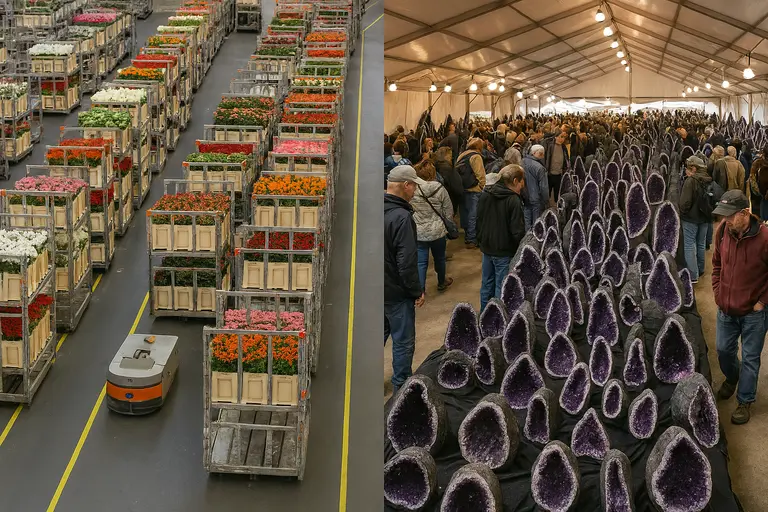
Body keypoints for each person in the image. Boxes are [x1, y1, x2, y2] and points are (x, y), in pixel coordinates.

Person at [712, 190, 768, 425]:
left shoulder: (765, 238)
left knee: (750, 358)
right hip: (726, 309)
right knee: (723, 350)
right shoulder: (722, 232)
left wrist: (762, 302)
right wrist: (718, 292)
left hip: (753, 313)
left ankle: (745, 400)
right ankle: (732, 377)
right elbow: (716, 264)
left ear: (745, 213)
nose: (725, 220)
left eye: (730, 215)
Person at [384, 166, 426, 394]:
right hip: (397, 293)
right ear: (406, 185)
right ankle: (401, 389)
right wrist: (415, 290)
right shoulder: (402, 217)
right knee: (402, 342)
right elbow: (406, 262)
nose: (415, 191)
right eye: (414, 186)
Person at [476, 165, 526, 312]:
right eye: (522, 182)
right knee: (501, 286)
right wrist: (519, 250)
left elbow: (478, 220)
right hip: (504, 251)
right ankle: (498, 318)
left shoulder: (486, 194)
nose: (522, 187)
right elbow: (517, 231)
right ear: (515, 181)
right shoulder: (513, 200)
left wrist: (481, 240)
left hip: (487, 248)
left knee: (486, 284)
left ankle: (484, 315)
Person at [411, 160, 454, 293]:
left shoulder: (413, 189)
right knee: (440, 258)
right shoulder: (440, 189)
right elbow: (448, 210)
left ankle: (421, 290)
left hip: (419, 231)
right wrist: (448, 223)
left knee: (421, 262)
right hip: (438, 231)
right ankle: (441, 282)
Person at [679, 156, 712, 283]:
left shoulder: (690, 181)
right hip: (705, 217)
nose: (686, 171)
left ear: (693, 168)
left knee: (689, 245)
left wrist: (683, 212)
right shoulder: (708, 178)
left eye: (687, 168)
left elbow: (684, 203)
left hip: (690, 219)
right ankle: (701, 269)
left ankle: (693, 275)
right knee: (701, 243)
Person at [456, 137, 487, 248]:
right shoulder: (476, 157)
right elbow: (480, 175)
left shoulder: (461, 155)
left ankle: (467, 234)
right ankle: (471, 239)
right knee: (473, 215)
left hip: (462, 188)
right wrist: (481, 187)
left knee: (465, 214)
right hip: (473, 189)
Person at [521, 144, 549, 230]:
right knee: (536, 221)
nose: (542, 155)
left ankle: (527, 235)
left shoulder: (523, 161)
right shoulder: (540, 168)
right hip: (536, 197)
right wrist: (546, 200)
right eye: (541, 153)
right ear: (534, 153)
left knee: (527, 218)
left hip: (525, 195)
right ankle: (534, 236)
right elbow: (544, 187)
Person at [434, 146, 462, 215]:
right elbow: (457, 187)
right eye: (450, 156)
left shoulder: (435, 166)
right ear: (445, 156)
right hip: (450, 199)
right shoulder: (448, 169)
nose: (451, 158)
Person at [544, 130, 569, 203]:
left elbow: (566, 159)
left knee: (557, 193)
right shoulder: (550, 146)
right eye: (561, 137)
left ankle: (556, 205)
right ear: (556, 137)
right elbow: (546, 158)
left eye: (564, 137)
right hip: (549, 174)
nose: (562, 139)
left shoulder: (563, 147)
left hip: (559, 174)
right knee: (547, 193)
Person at [751, 146, 768, 219]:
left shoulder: (758, 162)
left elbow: (752, 178)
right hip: (763, 194)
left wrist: (757, 191)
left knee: (764, 216)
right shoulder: (758, 163)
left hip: (763, 194)